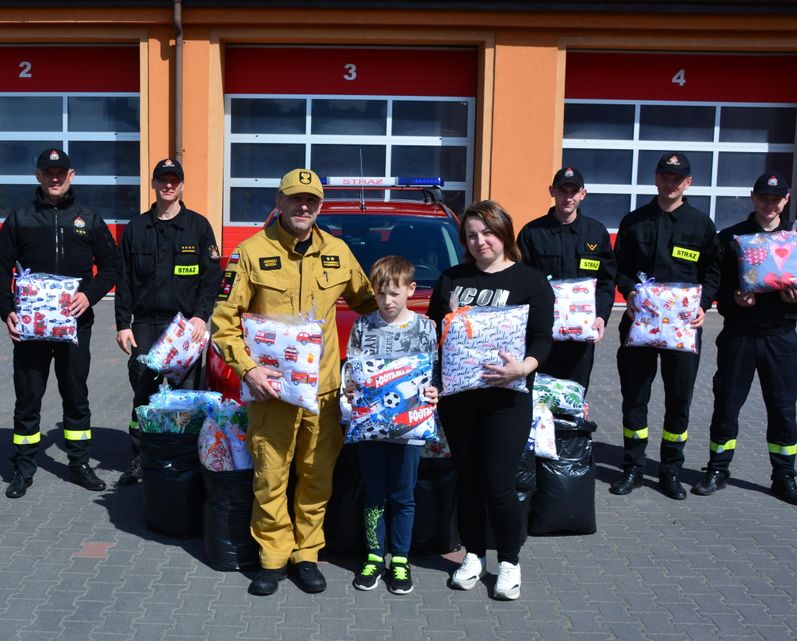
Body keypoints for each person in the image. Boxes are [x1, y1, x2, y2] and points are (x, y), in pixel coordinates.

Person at [211, 168, 376, 596]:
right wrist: (249, 369)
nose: (304, 207)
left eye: (312, 201)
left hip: (324, 393)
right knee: (270, 477)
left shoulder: (339, 252)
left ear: (320, 207)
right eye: (295, 199)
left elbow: (373, 305)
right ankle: (272, 557)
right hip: (273, 392)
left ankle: (306, 554)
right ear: (279, 202)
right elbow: (223, 323)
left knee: (317, 477)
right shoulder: (248, 253)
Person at [427, 200, 553, 601]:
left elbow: (543, 337)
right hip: (459, 399)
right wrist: (431, 382)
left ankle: (510, 562)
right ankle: (474, 556)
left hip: (507, 400)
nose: (480, 241)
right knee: (467, 480)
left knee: (498, 483)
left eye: (487, 232)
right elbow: (434, 337)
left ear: (504, 233)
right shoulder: (451, 278)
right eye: (472, 235)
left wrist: (525, 368)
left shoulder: (530, 281)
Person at [0, 148, 122, 498]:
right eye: (48, 172)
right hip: (31, 330)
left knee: (76, 396)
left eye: (61, 172)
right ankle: (23, 466)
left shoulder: (88, 218)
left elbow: (112, 265)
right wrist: (7, 311)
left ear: (71, 175)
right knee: (28, 397)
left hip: (75, 326)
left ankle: (79, 463)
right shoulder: (20, 217)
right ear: (37, 175)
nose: (55, 177)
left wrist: (88, 296)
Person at [693, 172, 797, 506]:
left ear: (785, 200)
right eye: (763, 198)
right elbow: (715, 283)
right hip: (739, 334)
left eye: (776, 199)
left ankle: (784, 476)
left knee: (782, 408)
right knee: (727, 403)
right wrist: (732, 299)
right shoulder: (731, 238)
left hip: (781, 336)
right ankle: (717, 469)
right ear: (753, 198)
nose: (769, 205)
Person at [611, 152, 720, 500]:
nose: (670, 184)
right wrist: (628, 293)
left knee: (678, 399)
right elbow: (620, 267)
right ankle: (633, 467)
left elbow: (713, 273)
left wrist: (704, 306)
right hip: (639, 326)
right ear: (656, 179)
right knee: (635, 398)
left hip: (683, 330)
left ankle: (670, 471)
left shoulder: (701, 225)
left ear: (688, 183)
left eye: (677, 179)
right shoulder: (635, 222)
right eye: (664, 177)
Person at [113, 158, 221, 486]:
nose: (169, 185)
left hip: (186, 327)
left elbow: (211, 278)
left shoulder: (198, 227)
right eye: (163, 180)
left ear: (182, 185)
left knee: (184, 394)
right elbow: (125, 279)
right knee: (144, 390)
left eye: (174, 180)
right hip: (146, 323)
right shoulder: (137, 228)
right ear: (154, 184)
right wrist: (123, 323)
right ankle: (141, 457)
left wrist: (202, 317)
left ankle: (183, 455)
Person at [343, 256, 438, 595]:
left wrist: (433, 390)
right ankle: (373, 556)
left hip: (409, 429)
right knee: (374, 495)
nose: (388, 301)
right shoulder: (363, 325)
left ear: (411, 290)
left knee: (403, 496)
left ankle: (399, 558)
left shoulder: (426, 327)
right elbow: (351, 371)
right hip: (371, 428)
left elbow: (435, 371)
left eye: (395, 293)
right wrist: (350, 387)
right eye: (381, 294)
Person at [516, 167, 616, 389]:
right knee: (540, 394)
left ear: (583, 193)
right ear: (552, 191)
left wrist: (601, 316)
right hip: (542, 333)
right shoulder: (532, 232)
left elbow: (607, 280)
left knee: (575, 394)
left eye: (573, 191)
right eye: (562, 190)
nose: (567, 197)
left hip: (581, 335)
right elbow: (520, 279)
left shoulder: (596, 232)